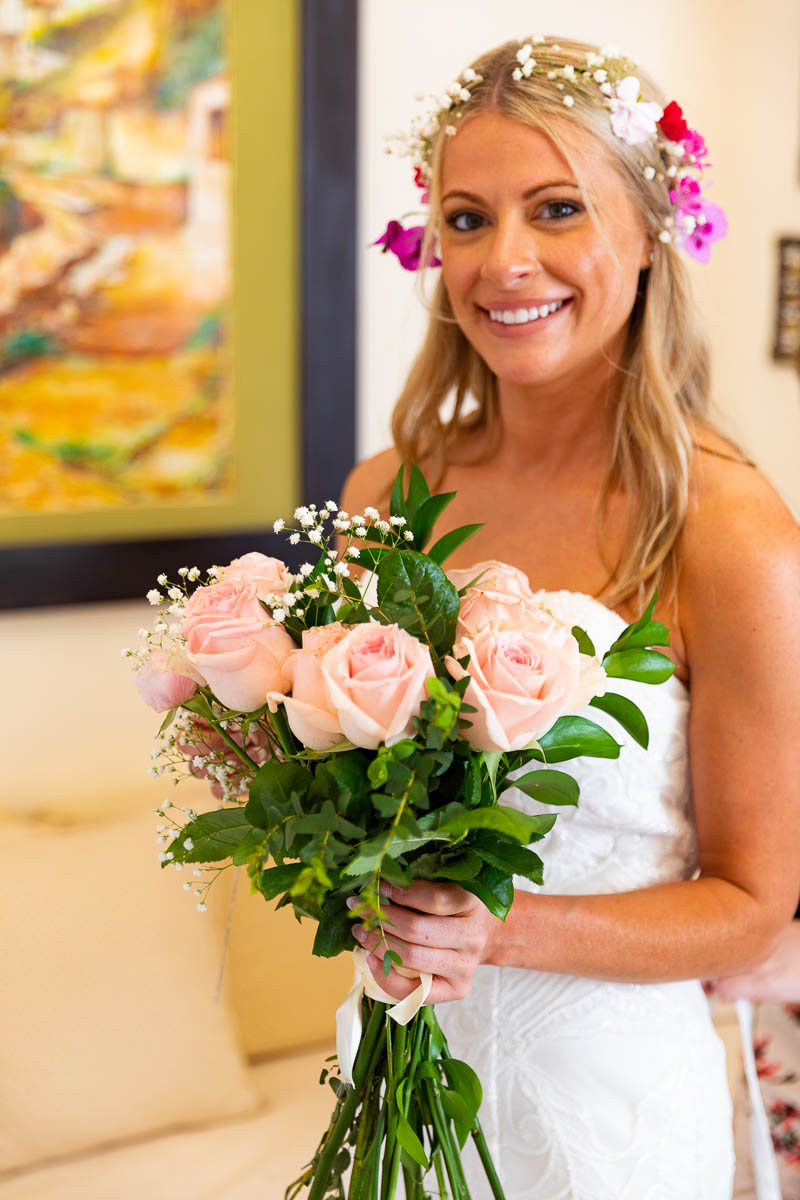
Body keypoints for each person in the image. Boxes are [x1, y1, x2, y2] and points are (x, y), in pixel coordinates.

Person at [340, 35, 800, 1200]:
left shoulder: (727, 528)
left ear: (647, 232)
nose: (504, 262)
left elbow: (751, 911)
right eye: (465, 218)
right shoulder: (383, 495)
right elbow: (345, 814)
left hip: (607, 1119)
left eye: (554, 210)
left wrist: (491, 929)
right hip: (389, 1071)